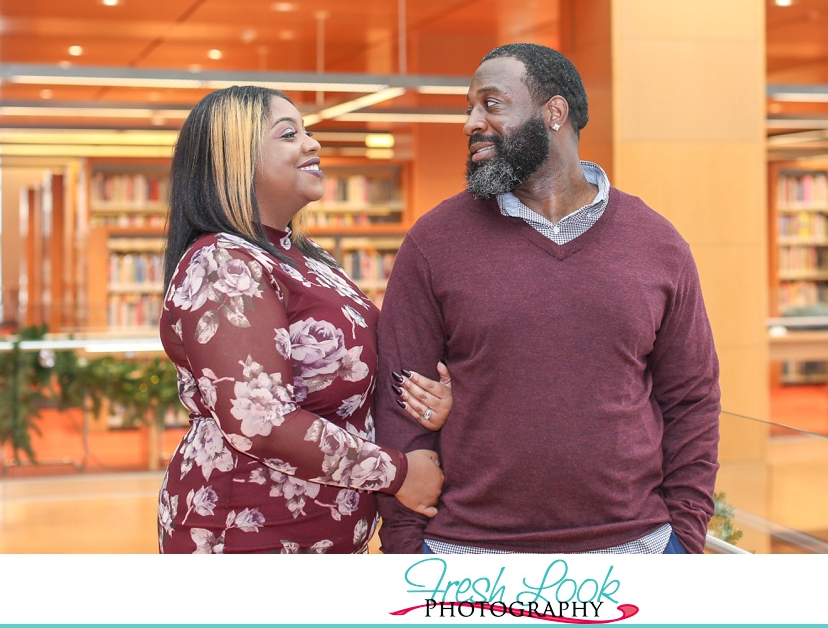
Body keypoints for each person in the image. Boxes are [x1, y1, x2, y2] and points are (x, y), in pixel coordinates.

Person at [375, 43, 720, 555]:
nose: (471, 123)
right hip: (465, 554)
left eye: (491, 104)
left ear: (553, 113)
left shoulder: (657, 243)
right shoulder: (434, 241)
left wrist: (685, 540)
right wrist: (407, 550)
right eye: (469, 108)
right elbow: (399, 401)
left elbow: (692, 398)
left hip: (638, 550)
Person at [156, 85, 452, 553]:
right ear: (235, 159)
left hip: (317, 537)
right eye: (289, 134)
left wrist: (420, 398)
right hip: (247, 534)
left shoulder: (309, 260)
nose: (312, 144)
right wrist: (397, 473)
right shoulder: (222, 262)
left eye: (308, 131)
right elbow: (260, 420)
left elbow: (354, 376)